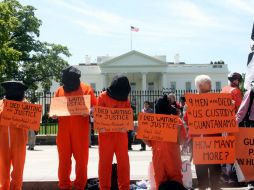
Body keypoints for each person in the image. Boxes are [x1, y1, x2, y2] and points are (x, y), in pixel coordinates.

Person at [54, 66, 97, 190]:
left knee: (82, 160)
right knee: (63, 160)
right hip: (63, 131)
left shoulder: (86, 88)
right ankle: (64, 185)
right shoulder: (59, 91)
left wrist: (89, 111)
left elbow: (95, 107)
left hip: (81, 131)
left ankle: (80, 185)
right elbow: (55, 110)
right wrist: (53, 115)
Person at [145, 94, 187, 189]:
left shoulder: (153, 122)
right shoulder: (176, 121)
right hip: (169, 159)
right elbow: (182, 142)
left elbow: (149, 144)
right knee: (175, 184)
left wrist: (179, 131)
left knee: (165, 184)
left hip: (163, 160)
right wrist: (141, 133)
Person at [97, 75, 131, 190]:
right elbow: (98, 116)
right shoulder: (103, 96)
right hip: (106, 135)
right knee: (105, 163)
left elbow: (127, 117)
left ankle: (124, 187)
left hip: (120, 134)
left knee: (124, 163)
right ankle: (104, 187)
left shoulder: (125, 100)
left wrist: (126, 126)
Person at [192, 75, 222, 190]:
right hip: (200, 140)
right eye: (207, 82)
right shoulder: (193, 102)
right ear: (200, 86)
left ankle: (215, 186)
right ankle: (203, 186)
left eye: (210, 82)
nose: (210, 84)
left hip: (214, 139)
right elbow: (188, 119)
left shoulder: (217, 99)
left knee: (215, 166)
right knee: (201, 167)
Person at [0, 81, 28, 190]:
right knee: (3, 170)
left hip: (19, 144)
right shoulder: (1, 104)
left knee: (18, 170)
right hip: (3, 144)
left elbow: (33, 121)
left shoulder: (26, 105)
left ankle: (16, 188)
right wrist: (6, 108)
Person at [221, 72, 243, 184]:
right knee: (232, 150)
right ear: (235, 80)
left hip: (222, 124)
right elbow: (240, 108)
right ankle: (230, 176)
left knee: (224, 148)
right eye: (238, 80)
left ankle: (223, 174)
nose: (238, 82)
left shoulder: (224, 89)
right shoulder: (236, 91)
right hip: (232, 123)